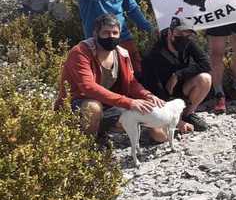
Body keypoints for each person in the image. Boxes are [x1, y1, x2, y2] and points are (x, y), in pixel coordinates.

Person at [56, 14, 167, 143]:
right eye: (106, 33)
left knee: (157, 130)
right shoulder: (81, 52)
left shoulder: (122, 54)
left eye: (115, 33)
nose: (111, 37)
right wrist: (129, 102)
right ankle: (88, 146)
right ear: (96, 34)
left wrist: (147, 95)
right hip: (76, 104)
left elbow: (131, 83)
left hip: (108, 104)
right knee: (93, 107)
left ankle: (112, 132)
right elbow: (88, 87)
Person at [141, 16, 212, 133]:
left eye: (187, 34)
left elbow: (206, 64)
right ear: (170, 32)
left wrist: (177, 75)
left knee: (205, 78)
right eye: (180, 33)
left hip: (181, 89)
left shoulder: (188, 44)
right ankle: (174, 119)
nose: (184, 38)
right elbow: (154, 89)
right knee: (158, 135)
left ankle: (188, 114)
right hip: (162, 95)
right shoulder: (154, 54)